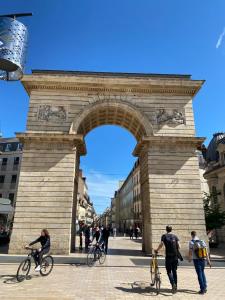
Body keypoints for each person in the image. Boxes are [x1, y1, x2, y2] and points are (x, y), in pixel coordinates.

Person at [155, 225, 180, 294]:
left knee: (169, 271)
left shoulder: (164, 236)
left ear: (166, 230)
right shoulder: (175, 236)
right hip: (175, 256)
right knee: (174, 271)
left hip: (168, 256)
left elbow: (161, 244)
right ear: (171, 230)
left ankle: (173, 284)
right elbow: (179, 246)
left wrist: (157, 250)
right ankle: (176, 287)